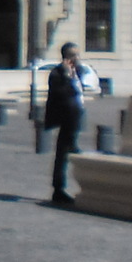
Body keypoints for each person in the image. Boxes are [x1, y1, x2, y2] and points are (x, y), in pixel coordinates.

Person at [45, 41, 88, 206]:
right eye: (73, 55)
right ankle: (59, 189)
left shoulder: (76, 71)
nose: (77, 58)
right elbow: (62, 94)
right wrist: (65, 75)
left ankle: (61, 188)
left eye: (78, 55)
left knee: (66, 155)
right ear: (66, 57)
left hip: (74, 118)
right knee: (64, 155)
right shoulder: (57, 73)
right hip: (65, 118)